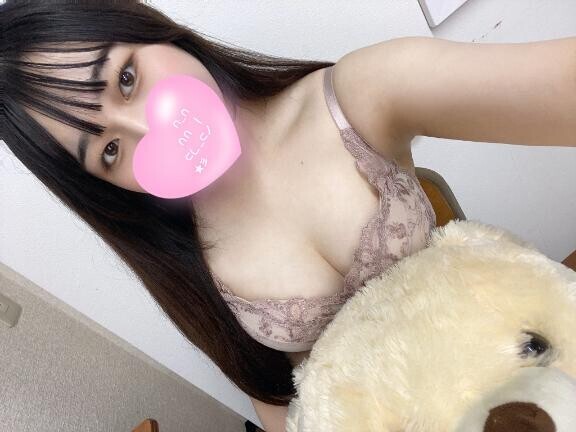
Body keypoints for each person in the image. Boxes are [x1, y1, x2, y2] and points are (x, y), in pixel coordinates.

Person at [2, 2, 575, 431]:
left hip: (537, 384)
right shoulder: (184, 264)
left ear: (147, 28)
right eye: (109, 151)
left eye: (126, 78)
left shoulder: (358, 97)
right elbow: (282, 403)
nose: (148, 128)